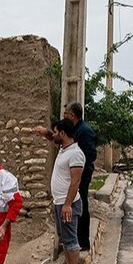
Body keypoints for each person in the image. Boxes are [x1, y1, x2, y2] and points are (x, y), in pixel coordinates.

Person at [34, 102, 97, 250]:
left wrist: (76, 170)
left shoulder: (85, 131)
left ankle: (81, 243)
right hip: (71, 177)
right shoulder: (73, 130)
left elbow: (88, 155)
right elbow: (60, 141)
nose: (64, 116)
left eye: (66, 114)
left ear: (72, 115)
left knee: (78, 210)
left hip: (78, 176)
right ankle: (73, 243)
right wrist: (46, 133)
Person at [50, 119, 85, 264]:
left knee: (71, 238)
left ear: (63, 133)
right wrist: (43, 131)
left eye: (55, 132)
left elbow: (75, 181)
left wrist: (67, 205)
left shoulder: (75, 153)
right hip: (60, 202)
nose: (53, 135)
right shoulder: (64, 149)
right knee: (64, 236)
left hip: (67, 203)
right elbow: (52, 138)